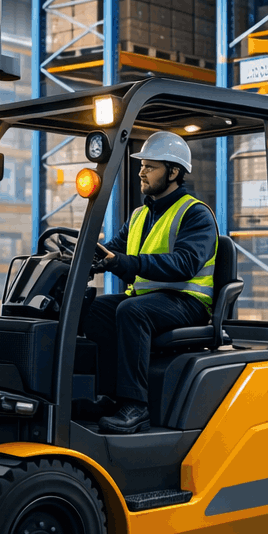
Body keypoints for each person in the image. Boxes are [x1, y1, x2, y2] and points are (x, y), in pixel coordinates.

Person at [82, 131, 217, 434]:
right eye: (141, 165)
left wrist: (126, 263)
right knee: (97, 309)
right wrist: (82, 255)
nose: (141, 172)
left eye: (150, 167)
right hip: (152, 299)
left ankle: (136, 407)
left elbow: (185, 264)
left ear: (174, 172)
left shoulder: (195, 214)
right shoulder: (140, 215)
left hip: (187, 301)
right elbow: (113, 252)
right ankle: (110, 396)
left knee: (132, 311)